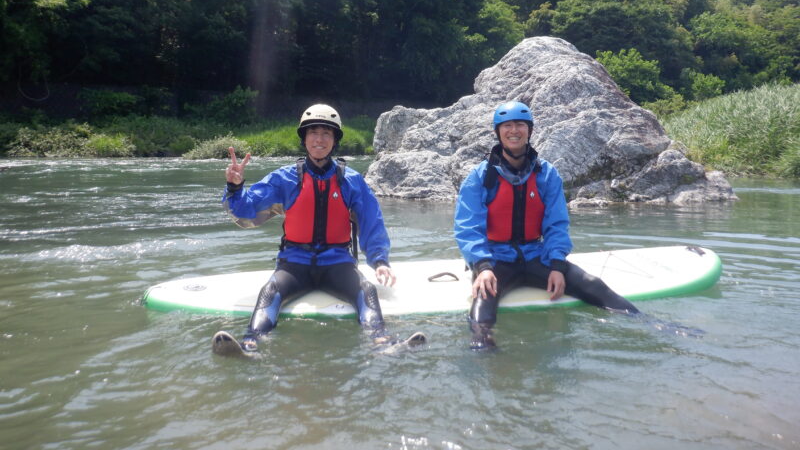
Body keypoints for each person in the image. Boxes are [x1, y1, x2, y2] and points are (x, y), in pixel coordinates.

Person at [214, 104, 423, 356]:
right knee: (269, 291)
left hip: (337, 263)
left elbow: (371, 221)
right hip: (294, 264)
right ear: (305, 139)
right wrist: (235, 187)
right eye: (313, 132)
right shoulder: (284, 179)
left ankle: (382, 340)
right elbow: (245, 212)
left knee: (367, 290)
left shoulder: (351, 180)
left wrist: (379, 261)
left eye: (327, 133)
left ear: (334, 141)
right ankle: (251, 343)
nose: (320, 139)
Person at [454, 100, 639, 350]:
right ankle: (483, 347)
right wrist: (482, 266)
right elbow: (468, 226)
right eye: (507, 125)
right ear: (498, 132)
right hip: (495, 259)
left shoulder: (547, 174)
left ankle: (646, 324)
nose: (514, 131)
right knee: (482, 302)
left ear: (529, 130)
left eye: (520, 125)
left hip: (535, 255)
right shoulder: (480, 177)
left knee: (593, 284)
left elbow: (556, 224)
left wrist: (556, 264)